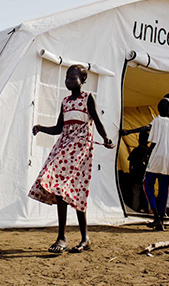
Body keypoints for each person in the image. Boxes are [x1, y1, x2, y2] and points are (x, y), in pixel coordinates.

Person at [29, 64, 113, 253]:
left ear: (83, 80)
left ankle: (78, 238)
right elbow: (59, 128)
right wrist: (42, 128)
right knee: (65, 189)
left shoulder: (88, 98)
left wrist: (106, 138)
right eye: (66, 77)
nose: (68, 81)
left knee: (71, 189)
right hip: (65, 145)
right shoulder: (65, 101)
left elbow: (98, 122)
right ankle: (65, 237)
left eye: (72, 78)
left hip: (80, 148)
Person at [144, 98, 169, 231]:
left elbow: (153, 142)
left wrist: (145, 154)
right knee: (164, 191)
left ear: (159, 109)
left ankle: (156, 215)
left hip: (156, 158)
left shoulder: (157, 121)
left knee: (148, 185)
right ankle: (161, 220)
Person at [128, 130, 149, 213]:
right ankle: (147, 209)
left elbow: (131, 163)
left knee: (136, 194)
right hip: (146, 175)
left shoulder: (136, 150)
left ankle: (135, 210)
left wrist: (131, 173)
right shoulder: (149, 152)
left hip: (136, 175)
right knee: (146, 193)